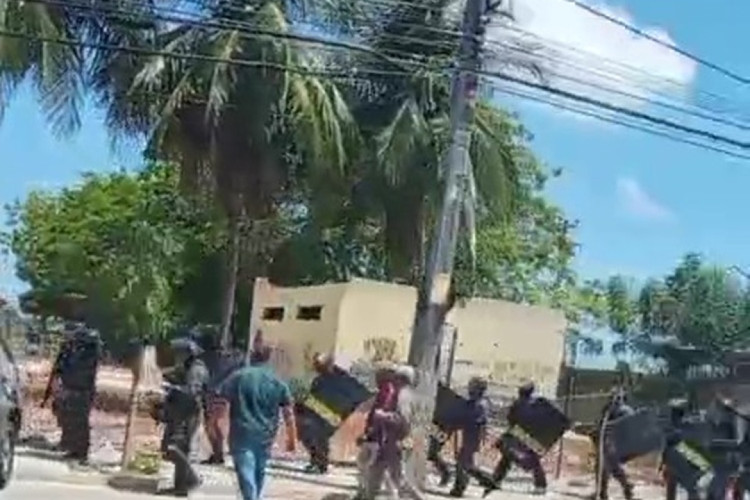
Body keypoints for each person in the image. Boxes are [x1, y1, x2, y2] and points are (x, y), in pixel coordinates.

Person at [220, 337, 297, 500]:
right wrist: (291, 438)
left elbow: (221, 402)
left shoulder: (237, 377)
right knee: (259, 471)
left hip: (242, 431)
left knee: (246, 472)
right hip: (266, 434)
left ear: (252, 355)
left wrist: (216, 425)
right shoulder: (277, 382)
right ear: (268, 358)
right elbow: (288, 413)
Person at [361, 364, 424, 500]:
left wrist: (383, 416)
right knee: (377, 474)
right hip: (388, 442)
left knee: (397, 479)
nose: (394, 380)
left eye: (397, 377)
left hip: (395, 443)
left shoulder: (404, 396)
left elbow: (403, 420)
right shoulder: (403, 394)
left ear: (402, 379)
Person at [159, 337, 208, 497]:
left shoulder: (197, 370)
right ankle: (180, 486)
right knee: (173, 448)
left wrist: (172, 388)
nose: (177, 356)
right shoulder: (186, 367)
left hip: (189, 414)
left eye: (179, 353)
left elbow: (192, 392)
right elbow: (176, 375)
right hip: (179, 412)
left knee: (176, 448)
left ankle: (190, 480)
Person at [486, 381, 547, 496]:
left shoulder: (517, 404)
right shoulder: (536, 404)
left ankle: (496, 480)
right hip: (530, 435)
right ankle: (540, 485)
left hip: (517, 433)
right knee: (533, 461)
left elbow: (510, 419)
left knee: (507, 456)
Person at [53, 326, 100, 464]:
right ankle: (72, 448)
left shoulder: (88, 353)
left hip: (82, 390)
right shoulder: (72, 351)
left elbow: (80, 371)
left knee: (80, 422)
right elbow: (62, 367)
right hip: (72, 388)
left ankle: (81, 452)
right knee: (69, 420)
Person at [197, 329, 244, 466]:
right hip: (222, 393)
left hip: (214, 393)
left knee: (211, 425)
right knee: (213, 424)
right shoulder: (234, 358)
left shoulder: (210, 357)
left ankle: (218, 454)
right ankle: (218, 453)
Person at [450, 376, 495, 498]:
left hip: (473, 436)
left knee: (463, 463)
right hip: (471, 435)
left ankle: (486, 483)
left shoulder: (479, 404)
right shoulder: (478, 402)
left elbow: (473, 419)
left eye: (472, 386)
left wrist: (459, 420)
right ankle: (462, 487)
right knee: (465, 463)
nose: (469, 388)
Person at [593, 387, 635, 500]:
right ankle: (604, 492)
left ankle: (625, 487)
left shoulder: (626, 411)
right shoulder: (607, 409)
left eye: (616, 396)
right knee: (603, 467)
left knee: (609, 466)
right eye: (612, 396)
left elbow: (630, 427)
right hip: (606, 441)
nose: (613, 398)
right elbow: (602, 424)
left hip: (617, 443)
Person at [662, 399, 699, 500]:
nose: (672, 415)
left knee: (679, 487)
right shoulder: (686, 425)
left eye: (674, 412)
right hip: (679, 458)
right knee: (687, 487)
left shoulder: (681, 426)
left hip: (679, 458)